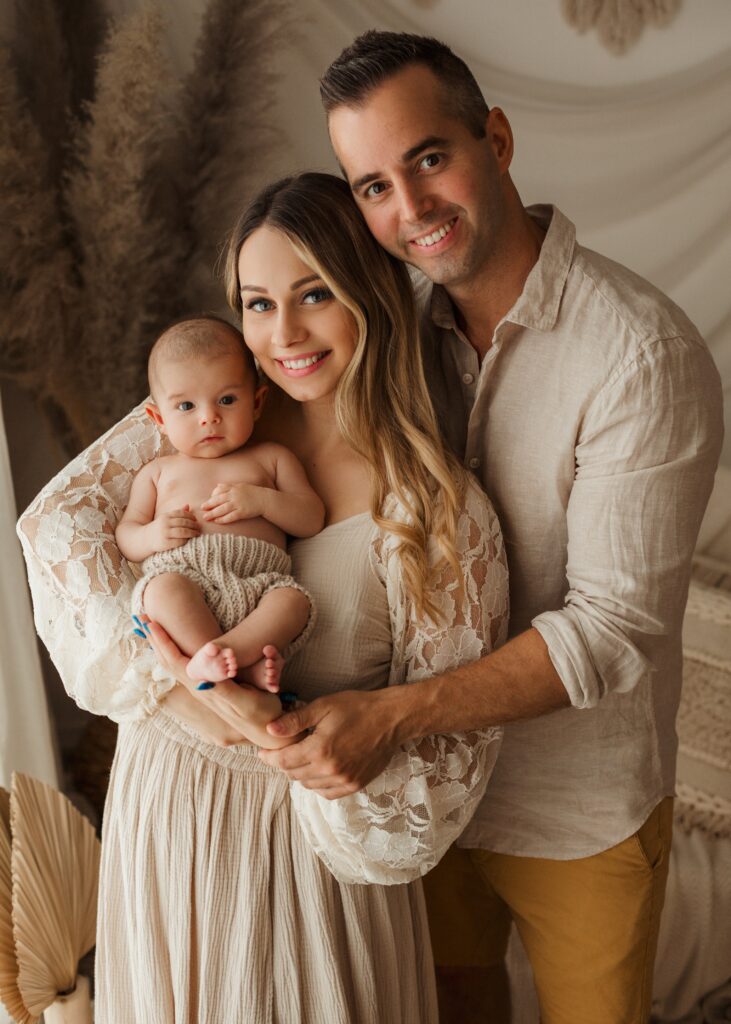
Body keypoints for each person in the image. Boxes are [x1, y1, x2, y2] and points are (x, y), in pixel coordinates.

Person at [256, 31, 726, 1023]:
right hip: (422, 810)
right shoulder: (380, 333)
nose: (410, 206)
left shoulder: (637, 352)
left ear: (496, 140)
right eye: (373, 186)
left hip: (576, 811)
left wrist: (390, 716)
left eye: (428, 158)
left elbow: (611, 628)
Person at [18, 171, 507, 1023]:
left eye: (314, 294)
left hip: (311, 856)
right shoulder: (201, 420)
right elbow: (58, 527)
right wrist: (183, 681)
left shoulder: (437, 506)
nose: (284, 333)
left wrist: (270, 725)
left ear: (370, 291)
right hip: (168, 807)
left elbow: (439, 773)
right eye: (256, 303)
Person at [117, 315, 322, 733]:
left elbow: (311, 518)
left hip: (258, 583)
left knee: (293, 602)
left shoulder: (272, 459)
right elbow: (127, 535)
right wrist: (153, 535)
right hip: (186, 579)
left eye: (227, 400)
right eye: (186, 407)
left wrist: (262, 500)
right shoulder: (158, 473)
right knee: (160, 592)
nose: (208, 418)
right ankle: (240, 672)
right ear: (159, 418)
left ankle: (227, 655)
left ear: (257, 402)